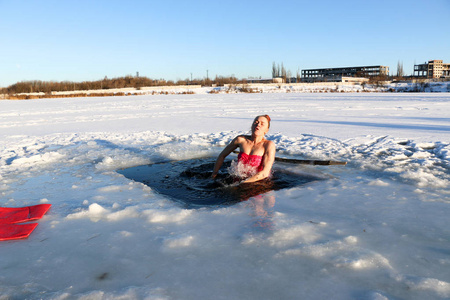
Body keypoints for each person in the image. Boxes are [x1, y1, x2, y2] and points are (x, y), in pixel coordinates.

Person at [211, 115, 275, 183]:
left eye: (262, 124)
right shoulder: (241, 140)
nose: (258, 125)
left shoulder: (268, 145)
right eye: (256, 122)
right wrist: (214, 173)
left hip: (258, 182)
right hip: (239, 179)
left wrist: (244, 183)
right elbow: (222, 155)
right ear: (252, 126)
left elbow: (265, 173)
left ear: (266, 130)